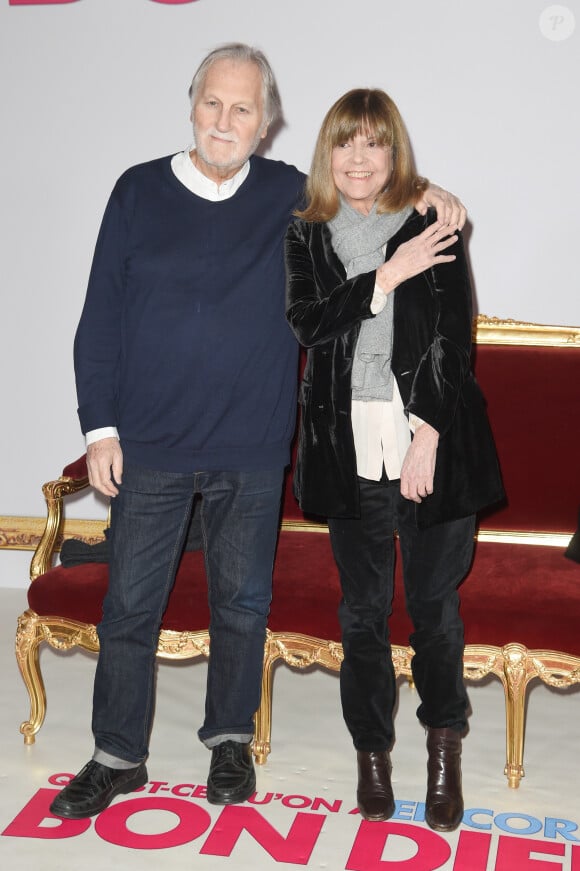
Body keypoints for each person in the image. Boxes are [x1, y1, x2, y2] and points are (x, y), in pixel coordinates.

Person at [49, 45, 467, 821]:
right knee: (130, 608)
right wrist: (99, 427)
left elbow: (374, 195)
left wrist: (432, 192)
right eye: (213, 103)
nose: (225, 121)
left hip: (251, 443)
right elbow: (99, 316)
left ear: (267, 122)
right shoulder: (137, 190)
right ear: (192, 105)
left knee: (242, 602)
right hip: (151, 441)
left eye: (244, 108)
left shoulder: (292, 196)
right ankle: (117, 754)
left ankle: (230, 740)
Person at [284, 88, 504, 831]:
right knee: (361, 614)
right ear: (328, 152)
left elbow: (453, 336)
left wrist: (430, 434)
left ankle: (444, 754)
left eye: (373, 143)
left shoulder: (432, 219)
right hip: (346, 443)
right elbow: (309, 323)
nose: (357, 158)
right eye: (344, 143)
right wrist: (385, 273)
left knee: (436, 611)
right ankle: (371, 756)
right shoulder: (305, 232)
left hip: (427, 436)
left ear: (393, 152)